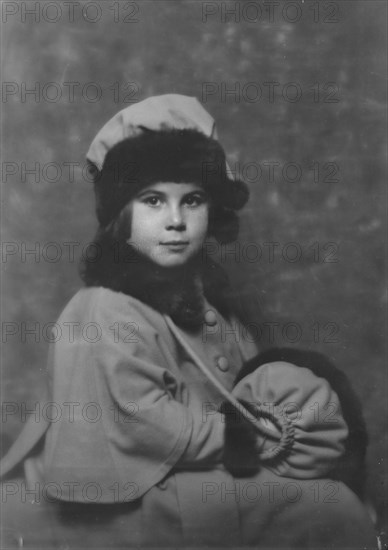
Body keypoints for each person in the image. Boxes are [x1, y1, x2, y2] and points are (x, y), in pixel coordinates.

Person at [1, 94, 377, 549]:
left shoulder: (215, 308)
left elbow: (243, 396)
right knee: (326, 510)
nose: (176, 221)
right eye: (154, 201)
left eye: (192, 200)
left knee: (332, 497)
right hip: (122, 495)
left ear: (212, 212)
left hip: (187, 473)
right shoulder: (101, 308)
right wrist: (256, 437)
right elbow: (144, 426)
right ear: (122, 216)